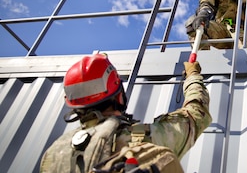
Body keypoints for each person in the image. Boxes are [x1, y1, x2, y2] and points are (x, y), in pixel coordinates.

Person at [40, 53, 211, 173]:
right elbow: (195, 114)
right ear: (119, 95)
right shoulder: (142, 139)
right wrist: (193, 75)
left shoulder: (54, 152)